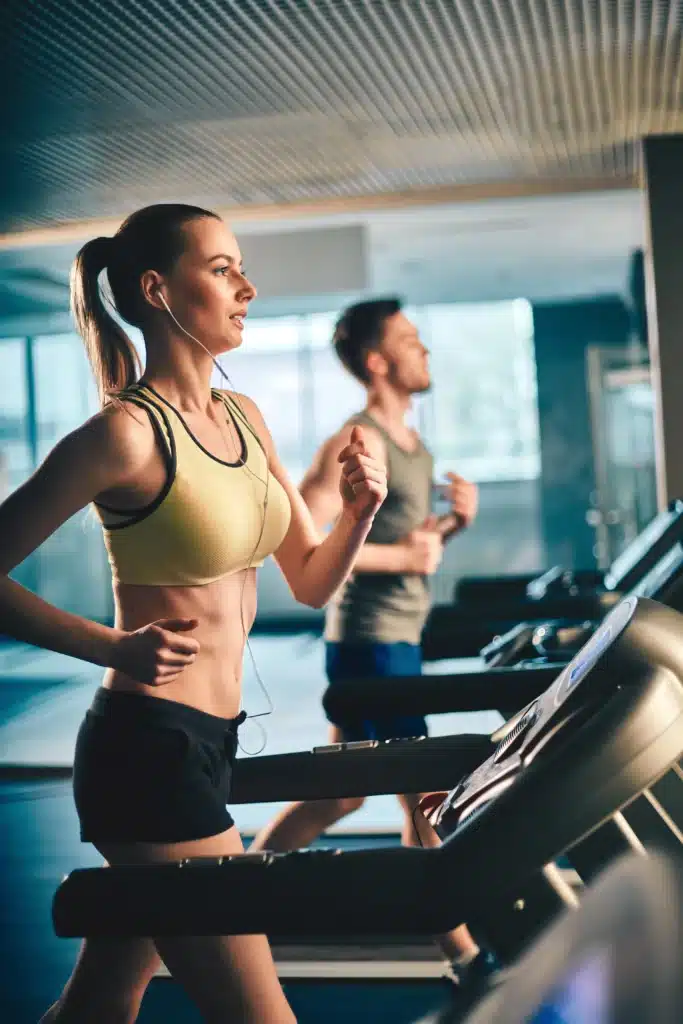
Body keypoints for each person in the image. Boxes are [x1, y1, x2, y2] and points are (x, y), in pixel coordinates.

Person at [0, 203, 388, 1024]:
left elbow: (312, 582)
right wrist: (112, 647)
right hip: (147, 754)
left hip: (212, 742)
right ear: (157, 289)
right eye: (221, 269)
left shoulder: (246, 418)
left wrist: (356, 515)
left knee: (105, 997)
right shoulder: (125, 436)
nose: (246, 286)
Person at [251, 298, 498, 994]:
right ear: (376, 361)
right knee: (420, 793)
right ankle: (464, 954)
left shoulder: (414, 447)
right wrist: (403, 558)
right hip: (368, 645)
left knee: (343, 798)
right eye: (410, 341)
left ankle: (242, 890)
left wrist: (450, 527)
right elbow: (301, 531)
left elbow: (405, 547)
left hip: (396, 643)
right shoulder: (354, 439)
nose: (425, 352)